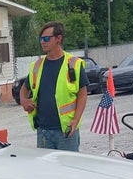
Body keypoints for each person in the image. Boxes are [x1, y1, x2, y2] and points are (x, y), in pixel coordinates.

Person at [19, 22, 88, 151]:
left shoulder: (73, 64)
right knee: (47, 170)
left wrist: (76, 120)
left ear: (58, 38)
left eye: (46, 38)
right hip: (44, 131)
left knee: (68, 168)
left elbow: (82, 95)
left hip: (66, 131)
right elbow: (24, 88)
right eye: (41, 39)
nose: (42, 42)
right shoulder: (37, 66)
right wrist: (23, 100)